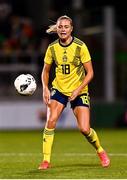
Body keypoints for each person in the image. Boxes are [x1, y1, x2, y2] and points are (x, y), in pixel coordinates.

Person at [38, 15, 110, 170]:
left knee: (84, 129)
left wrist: (78, 90)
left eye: (66, 27)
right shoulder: (52, 48)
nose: (63, 29)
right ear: (57, 29)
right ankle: (45, 161)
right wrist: (45, 88)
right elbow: (45, 71)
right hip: (59, 89)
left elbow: (90, 73)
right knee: (50, 122)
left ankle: (100, 150)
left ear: (71, 29)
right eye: (60, 27)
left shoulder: (80, 46)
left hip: (80, 90)